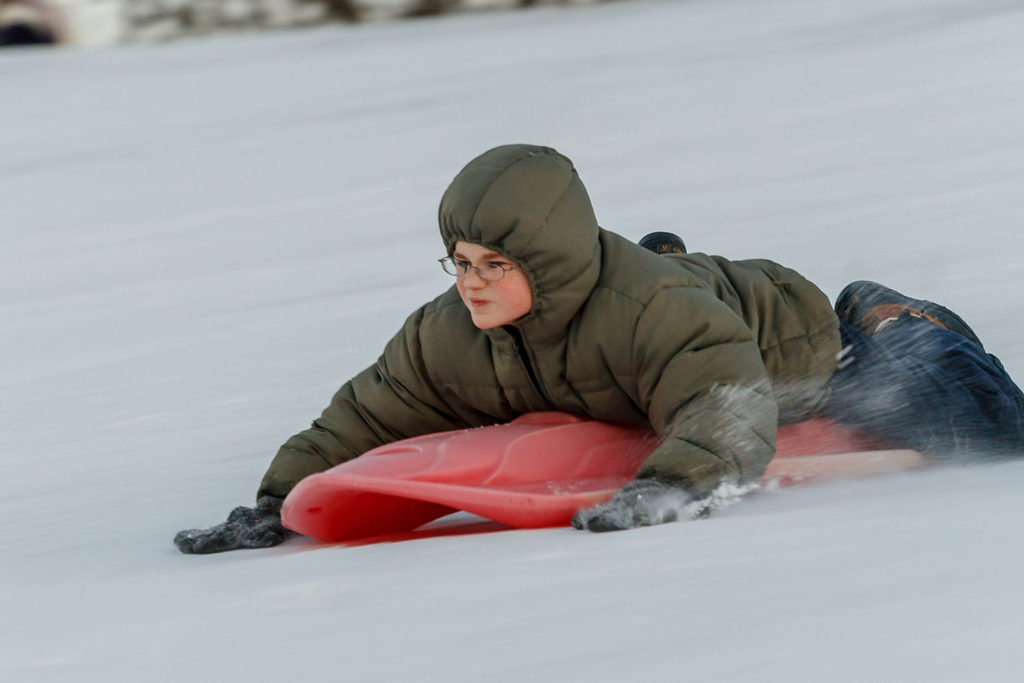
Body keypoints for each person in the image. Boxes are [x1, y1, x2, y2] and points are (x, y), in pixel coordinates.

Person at [174, 144, 1024, 553]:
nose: (469, 283)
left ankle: (889, 313)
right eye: (461, 261)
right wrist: (275, 499)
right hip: (666, 304)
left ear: (544, 262)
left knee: (989, 429)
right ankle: (668, 251)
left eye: (494, 265)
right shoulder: (452, 331)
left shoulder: (641, 314)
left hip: (802, 347)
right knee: (662, 302)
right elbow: (366, 410)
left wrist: (676, 485)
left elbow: (727, 394)